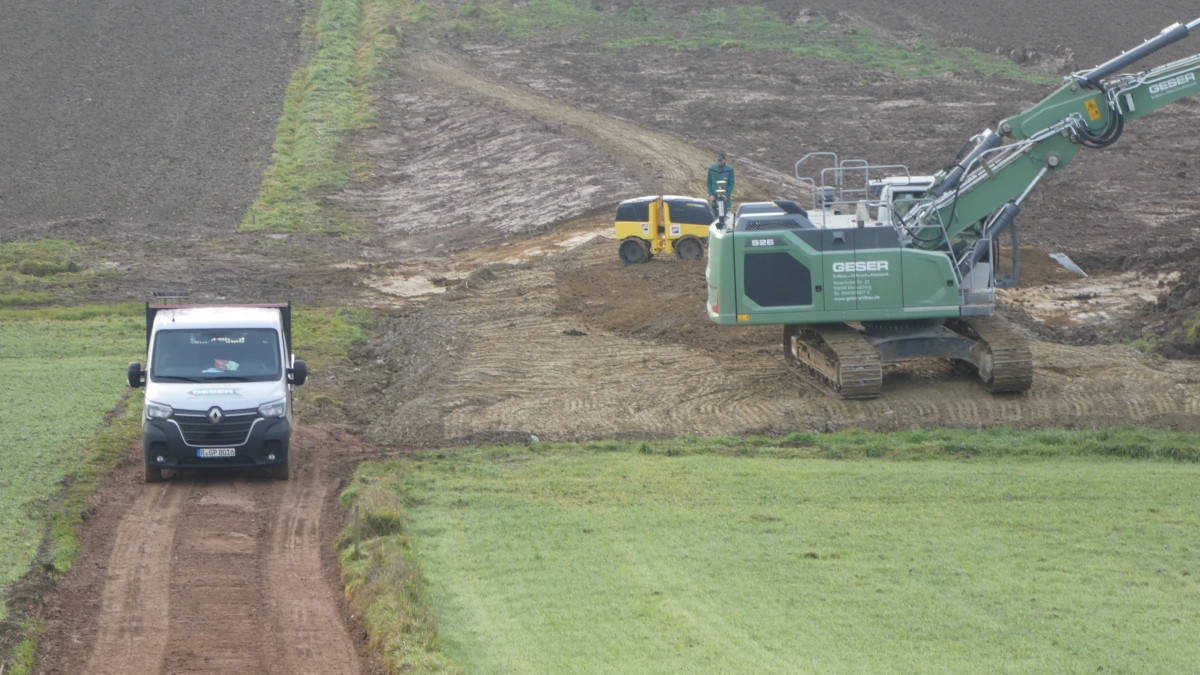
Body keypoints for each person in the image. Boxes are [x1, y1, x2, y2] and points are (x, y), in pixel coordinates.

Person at [707, 152, 735, 219]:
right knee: (713, 217)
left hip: (725, 199)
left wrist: (726, 195)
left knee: (727, 217)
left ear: (725, 160)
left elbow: (731, 184)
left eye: (721, 161)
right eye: (718, 161)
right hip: (714, 198)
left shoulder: (730, 169)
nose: (719, 162)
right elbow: (709, 183)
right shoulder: (712, 168)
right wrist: (710, 194)